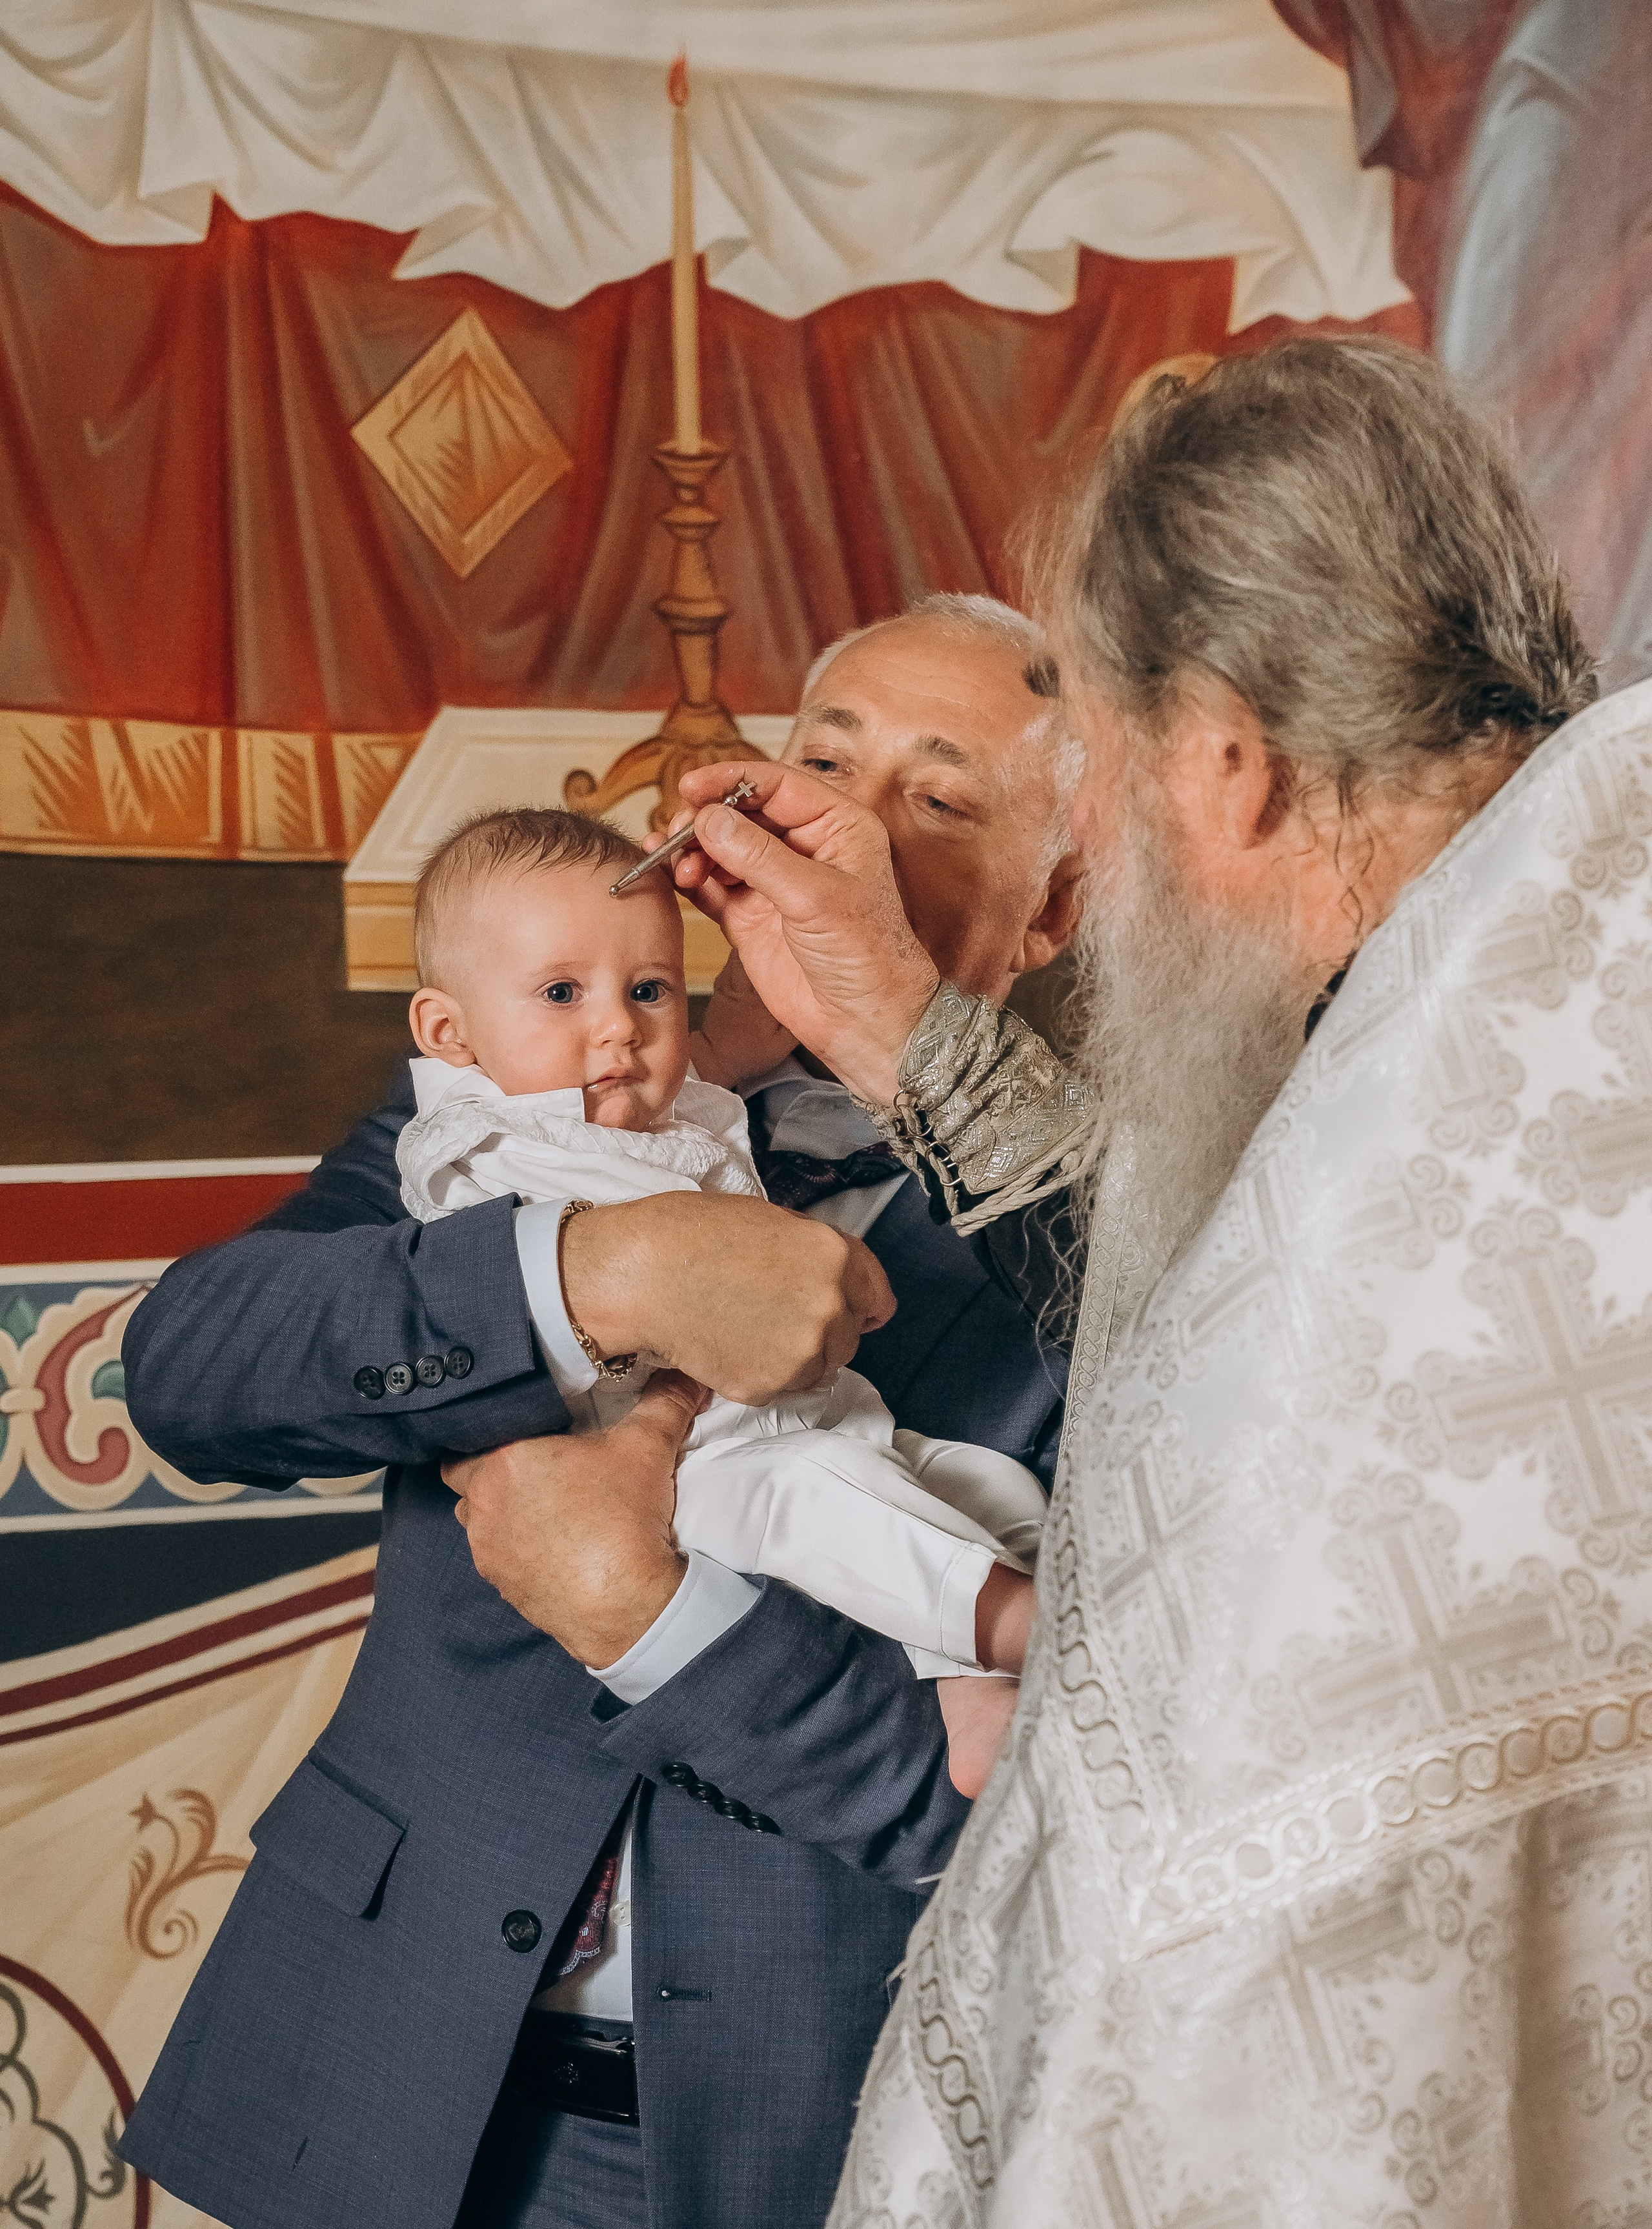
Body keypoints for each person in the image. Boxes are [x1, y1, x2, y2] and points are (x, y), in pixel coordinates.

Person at [660, 339, 1647, 2221]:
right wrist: (908, 1035)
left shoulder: (1433, 1132)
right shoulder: (1537, 980)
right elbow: (1229, 1250)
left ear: (1225, 766)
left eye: (1101, 772)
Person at [116, 591, 1083, 2229]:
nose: (844, 823)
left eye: (937, 797)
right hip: (394, 2067)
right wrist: (595, 1271)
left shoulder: (1105, 1225)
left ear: (1050, 907)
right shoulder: (551, 1088)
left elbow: (1020, 1775)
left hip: (804, 2117)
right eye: (821, 760)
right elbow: (194, 1366)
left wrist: (651, 1612)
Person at [398, 801, 1045, 1788]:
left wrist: (725, 1056)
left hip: (815, 1427)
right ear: (451, 1032)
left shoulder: (673, 1106)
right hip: (691, 1474)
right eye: (563, 991)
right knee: (824, 1506)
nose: (619, 1024)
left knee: (985, 1484)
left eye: (650, 987)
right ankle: (1027, 1633)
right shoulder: (488, 1139)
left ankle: (971, 1679)